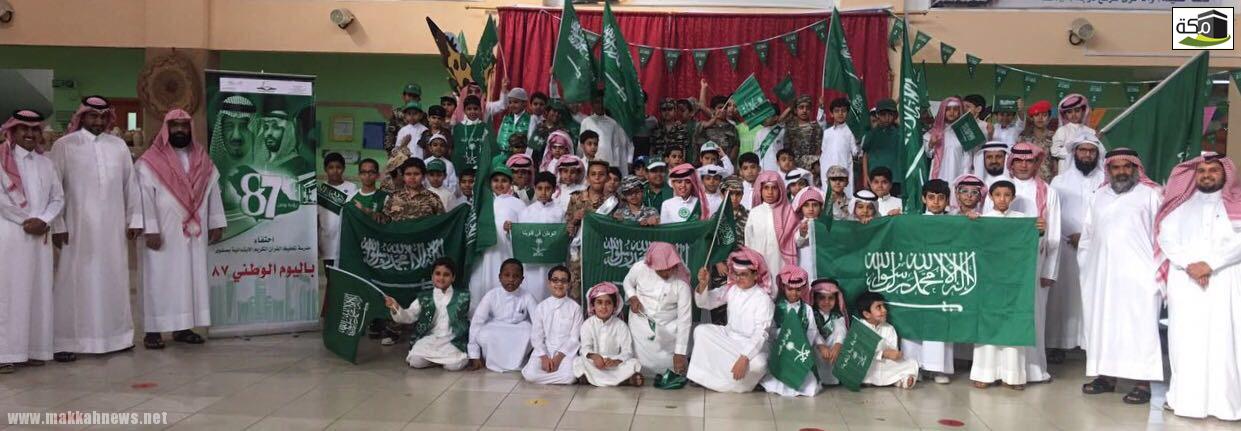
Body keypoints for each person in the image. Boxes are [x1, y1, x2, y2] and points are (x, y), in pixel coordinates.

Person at [50, 96, 144, 361]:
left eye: (103, 117)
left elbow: (130, 185)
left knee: (113, 278)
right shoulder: (64, 145)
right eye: (93, 116)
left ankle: (117, 337)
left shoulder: (118, 146)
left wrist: (135, 219)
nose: (99, 122)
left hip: (112, 228)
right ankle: (67, 341)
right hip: (77, 228)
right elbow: (54, 188)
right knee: (73, 281)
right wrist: (57, 224)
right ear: (82, 116)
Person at [1154, 153, 1241, 420]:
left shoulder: (1237, 205)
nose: (1206, 175)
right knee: (1185, 341)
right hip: (1186, 282)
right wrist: (1191, 265)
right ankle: (1185, 400)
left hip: (1226, 281)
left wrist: (1210, 264)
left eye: (1213, 170)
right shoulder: (1179, 205)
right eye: (1201, 171)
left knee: (1226, 341)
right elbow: (1166, 238)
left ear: (1225, 174)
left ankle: (1227, 404)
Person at [1077, 148, 1164, 405]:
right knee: (1104, 325)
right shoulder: (1098, 196)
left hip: (1140, 275)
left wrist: (1157, 273)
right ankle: (1106, 377)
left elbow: (1162, 234)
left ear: (1136, 169)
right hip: (1102, 276)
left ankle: (1142, 382)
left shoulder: (1151, 194)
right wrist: (1087, 269)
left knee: (1140, 328)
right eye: (1116, 167)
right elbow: (1088, 236)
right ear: (1109, 170)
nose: (1122, 172)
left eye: (1127, 167)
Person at [136, 109, 226, 349]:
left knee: (188, 279)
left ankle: (183, 327)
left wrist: (216, 222)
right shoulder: (150, 161)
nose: (179, 130)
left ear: (190, 129)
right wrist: (150, 229)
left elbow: (213, 191)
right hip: (162, 232)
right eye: (174, 125)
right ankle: (153, 330)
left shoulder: (202, 159)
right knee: (158, 279)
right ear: (166, 129)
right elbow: (143, 197)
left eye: (184, 125)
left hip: (194, 233)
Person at [0, 110, 63, 372]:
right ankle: (5, 353)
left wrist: (44, 220)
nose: (29, 134)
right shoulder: (1, 160)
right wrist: (27, 220)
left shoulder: (46, 163)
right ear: (12, 131)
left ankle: (34, 349)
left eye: (35, 129)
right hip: (11, 235)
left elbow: (58, 198)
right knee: (9, 293)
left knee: (39, 292)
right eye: (24, 129)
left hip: (39, 238)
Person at [1005, 142, 1061, 383]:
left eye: (1029, 161)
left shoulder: (1048, 192)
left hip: (1036, 264)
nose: (1024, 165)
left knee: (1034, 316)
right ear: (1012, 162)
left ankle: (1034, 369)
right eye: (1019, 160)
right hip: (1004, 265)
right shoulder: (999, 188)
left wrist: (1050, 270)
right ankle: (1006, 369)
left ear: (1036, 163)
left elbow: (1054, 235)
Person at [1047, 131, 1105, 362]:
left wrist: (1088, 237)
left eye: (1091, 151)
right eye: (1083, 150)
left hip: (1096, 248)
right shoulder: (1059, 181)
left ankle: (1091, 345)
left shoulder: (1106, 181)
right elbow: (1053, 214)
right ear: (1074, 153)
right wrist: (1067, 236)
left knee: (1092, 296)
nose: (1087, 155)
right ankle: (1058, 344)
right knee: (1064, 297)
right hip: (1066, 247)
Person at [970, 180, 1032, 390]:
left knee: (1013, 324)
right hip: (988, 281)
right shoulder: (983, 219)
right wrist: (971, 223)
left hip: (1015, 281)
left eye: (1007, 195)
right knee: (988, 324)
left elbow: (1031, 244)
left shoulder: (1022, 220)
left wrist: (1039, 231)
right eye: (998, 195)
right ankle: (985, 374)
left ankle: (1012, 376)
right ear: (991, 197)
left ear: (1013, 198)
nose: (1002, 199)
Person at [687, 248, 776, 392]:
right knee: (701, 331)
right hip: (730, 339)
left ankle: (731, 382)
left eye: (744, 274)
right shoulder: (732, 289)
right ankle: (708, 378)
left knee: (759, 364)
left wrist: (745, 357)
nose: (739, 278)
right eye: (736, 274)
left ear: (755, 275)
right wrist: (703, 284)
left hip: (751, 346)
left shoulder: (763, 299)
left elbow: (762, 333)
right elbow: (706, 303)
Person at [898, 179, 954, 382]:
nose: (936, 202)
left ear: (947, 200)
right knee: (913, 318)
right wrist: (892, 219)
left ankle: (938, 368)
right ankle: (914, 366)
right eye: (931, 197)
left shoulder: (955, 223)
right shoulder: (912, 221)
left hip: (943, 278)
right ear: (923, 199)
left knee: (939, 319)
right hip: (916, 277)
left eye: (941, 198)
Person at [622, 242, 694, 377]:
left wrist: (680, 352)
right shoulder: (640, 268)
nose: (666, 273)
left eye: (669, 269)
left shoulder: (681, 283)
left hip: (668, 327)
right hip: (640, 323)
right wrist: (632, 297)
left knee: (670, 370)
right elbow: (627, 281)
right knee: (637, 367)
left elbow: (684, 319)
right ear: (652, 265)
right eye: (661, 270)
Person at [387, 258, 470, 370]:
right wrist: (395, 307)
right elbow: (409, 316)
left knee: (454, 366)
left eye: (446, 275)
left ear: (453, 278)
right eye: (438, 274)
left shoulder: (463, 297)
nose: (441, 278)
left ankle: (438, 361)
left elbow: (473, 319)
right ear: (432, 276)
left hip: (453, 340)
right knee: (416, 361)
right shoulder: (425, 298)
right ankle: (436, 361)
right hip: (431, 339)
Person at [468, 163, 527, 312]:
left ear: (510, 183)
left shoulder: (518, 204)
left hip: (506, 251)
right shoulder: (482, 203)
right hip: (485, 252)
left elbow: (525, 231)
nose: (500, 184)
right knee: (482, 281)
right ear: (490, 183)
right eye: (496, 180)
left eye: (504, 180)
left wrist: (512, 229)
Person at [760, 266, 823, 397]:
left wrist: (801, 341)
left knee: (810, 386)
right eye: (790, 289)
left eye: (798, 290)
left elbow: (812, 330)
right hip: (780, 351)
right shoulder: (775, 307)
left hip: (799, 351)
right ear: (783, 287)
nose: (794, 293)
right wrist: (786, 334)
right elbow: (770, 330)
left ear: (803, 289)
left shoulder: (807, 309)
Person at [468, 259, 538, 372]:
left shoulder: (527, 296)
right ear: (500, 277)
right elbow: (477, 322)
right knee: (485, 333)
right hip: (496, 327)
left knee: (529, 331)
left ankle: (519, 362)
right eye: (507, 275)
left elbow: (538, 321)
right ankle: (492, 362)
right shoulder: (491, 295)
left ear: (522, 279)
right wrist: (474, 355)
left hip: (518, 329)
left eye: (516, 276)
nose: (511, 279)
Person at [522, 266, 584, 385]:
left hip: (566, 353)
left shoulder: (575, 308)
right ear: (549, 283)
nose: (559, 284)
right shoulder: (541, 307)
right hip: (544, 350)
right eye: (555, 280)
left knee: (570, 377)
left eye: (563, 281)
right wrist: (544, 357)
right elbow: (536, 337)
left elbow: (574, 339)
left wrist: (558, 358)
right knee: (530, 375)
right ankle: (553, 377)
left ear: (569, 284)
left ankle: (544, 377)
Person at [574, 282, 644, 386]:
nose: (603, 307)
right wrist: (594, 356)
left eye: (608, 303)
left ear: (615, 306)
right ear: (593, 305)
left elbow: (627, 351)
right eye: (599, 302)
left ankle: (591, 379)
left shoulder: (621, 326)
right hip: (594, 363)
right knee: (578, 361)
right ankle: (623, 381)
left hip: (614, 365)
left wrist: (616, 361)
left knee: (634, 362)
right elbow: (585, 348)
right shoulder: (587, 324)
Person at [565, 159, 611, 297]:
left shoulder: (614, 201)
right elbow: (567, 230)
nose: (597, 177)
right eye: (593, 174)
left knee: (601, 294)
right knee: (576, 295)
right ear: (587, 177)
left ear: (607, 178)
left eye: (601, 174)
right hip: (579, 257)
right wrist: (575, 219)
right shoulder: (576, 198)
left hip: (603, 256)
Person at [856, 292, 919, 389]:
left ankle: (899, 380)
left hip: (884, 365)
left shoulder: (889, 328)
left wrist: (896, 355)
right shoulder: (859, 327)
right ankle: (897, 379)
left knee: (912, 363)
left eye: (884, 306)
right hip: (866, 367)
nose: (884, 310)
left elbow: (892, 352)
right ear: (867, 314)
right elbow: (859, 352)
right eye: (879, 307)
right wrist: (883, 354)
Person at [516, 172, 563, 300]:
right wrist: (509, 230)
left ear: (554, 190)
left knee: (551, 293)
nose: (543, 192)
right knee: (532, 294)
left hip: (551, 262)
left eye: (547, 188)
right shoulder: (525, 212)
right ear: (534, 188)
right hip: (532, 265)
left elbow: (564, 238)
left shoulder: (560, 212)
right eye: (540, 188)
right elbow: (519, 238)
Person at [746, 171, 797, 289]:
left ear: (780, 190)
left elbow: (796, 240)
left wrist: (803, 233)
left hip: (780, 262)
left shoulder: (788, 212)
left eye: (774, 188)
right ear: (760, 190)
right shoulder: (754, 212)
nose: (770, 192)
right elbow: (748, 241)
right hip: (759, 262)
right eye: (766, 188)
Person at [318, 152, 358, 267]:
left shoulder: (352, 187)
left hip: (345, 242)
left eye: (338, 167)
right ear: (325, 169)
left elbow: (354, 215)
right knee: (329, 275)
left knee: (344, 274)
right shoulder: (321, 190)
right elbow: (317, 219)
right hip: (327, 243)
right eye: (331, 167)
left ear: (343, 168)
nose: (335, 171)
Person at [580, 92, 633, 175]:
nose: (600, 105)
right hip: (590, 162)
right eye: (597, 102)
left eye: (602, 102)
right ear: (592, 104)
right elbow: (581, 145)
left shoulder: (612, 123)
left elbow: (616, 146)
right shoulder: (586, 122)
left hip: (608, 162)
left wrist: (615, 166)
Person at [809, 279, 849, 386]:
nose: (826, 302)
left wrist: (837, 345)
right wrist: (821, 346)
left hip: (833, 353)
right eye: (822, 298)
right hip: (816, 352)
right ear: (815, 299)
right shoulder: (810, 314)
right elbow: (813, 331)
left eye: (831, 298)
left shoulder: (837, 315)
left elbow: (841, 332)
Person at [380, 158, 444, 224]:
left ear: (423, 176)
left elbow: (441, 223)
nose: (412, 177)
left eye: (416, 174)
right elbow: (385, 222)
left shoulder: (433, 199)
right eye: (408, 174)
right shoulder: (393, 197)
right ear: (403, 176)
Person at [861, 99, 901, 195]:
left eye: (890, 115)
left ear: (895, 116)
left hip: (895, 178)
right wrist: (865, 176)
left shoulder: (900, 133)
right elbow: (865, 154)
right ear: (877, 115)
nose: (887, 118)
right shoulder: (871, 133)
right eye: (883, 114)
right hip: (875, 178)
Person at [820, 98, 859, 195]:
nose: (840, 113)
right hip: (827, 170)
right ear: (831, 114)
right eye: (837, 111)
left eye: (843, 111)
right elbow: (823, 151)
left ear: (848, 113)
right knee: (827, 196)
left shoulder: (851, 132)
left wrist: (858, 142)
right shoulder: (827, 132)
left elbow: (855, 152)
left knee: (845, 197)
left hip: (844, 170)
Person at [924, 96, 966, 182]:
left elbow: (969, 155)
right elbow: (928, 154)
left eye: (955, 109)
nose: (952, 112)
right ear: (943, 111)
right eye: (948, 109)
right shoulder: (933, 133)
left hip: (958, 172)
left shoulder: (964, 132)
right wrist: (931, 144)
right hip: (939, 174)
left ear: (960, 112)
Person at [1051, 94, 1095, 176]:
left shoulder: (1091, 132)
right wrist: (1076, 152)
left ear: (1083, 111)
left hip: (1085, 173)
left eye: (1077, 111)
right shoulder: (1062, 130)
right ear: (1065, 114)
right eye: (1069, 112)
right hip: (1066, 172)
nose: (1073, 114)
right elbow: (1055, 151)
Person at [783, 96, 824, 172]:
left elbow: (819, 149)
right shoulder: (790, 128)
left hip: (812, 168)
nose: (804, 110)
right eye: (801, 107)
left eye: (807, 108)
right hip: (794, 169)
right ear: (796, 110)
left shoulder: (816, 127)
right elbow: (786, 151)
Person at [1018, 100, 1056, 182]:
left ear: (1049, 118)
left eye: (1044, 115)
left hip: (1048, 181)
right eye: (1036, 115)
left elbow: (1056, 163)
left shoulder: (1055, 137)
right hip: (1027, 181)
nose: (1040, 118)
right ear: (1032, 118)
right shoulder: (1024, 137)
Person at [452, 95, 490, 172]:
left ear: (480, 109)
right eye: (469, 109)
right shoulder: (458, 127)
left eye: (475, 109)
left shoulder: (485, 127)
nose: (472, 111)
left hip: (480, 166)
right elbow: (455, 149)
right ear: (464, 111)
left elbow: (488, 149)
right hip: (461, 165)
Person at [793, 187, 824, 277]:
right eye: (806, 205)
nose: (811, 209)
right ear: (801, 208)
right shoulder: (798, 225)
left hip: (822, 264)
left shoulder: (825, 225)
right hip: (804, 263)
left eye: (815, 205)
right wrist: (802, 234)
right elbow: (796, 244)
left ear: (820, 207)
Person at [494, 88, 536, 154]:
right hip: (502, 155)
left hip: (519, 157)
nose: (512, 105)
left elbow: (530, 144)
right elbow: (499, 137)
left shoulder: (531, 119)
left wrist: (525, 158)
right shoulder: (506, 118)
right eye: (510, 102)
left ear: (524, 103)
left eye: (516, 102)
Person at [384, 83, 421, 154]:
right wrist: (392, 152)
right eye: (409, 95)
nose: (412, 98)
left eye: (415, 96)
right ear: (403, 96)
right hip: (398, 153)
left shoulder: (423, 115)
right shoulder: (395, 114)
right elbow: (389, 135)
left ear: (419, 98)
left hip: (417, 152)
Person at [723, 176, 750, 245]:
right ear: (724, 194)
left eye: (738, 194)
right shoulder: (717, 217)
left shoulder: (750, 216)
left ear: (742, 195)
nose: (734, 198)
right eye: (730, 194)